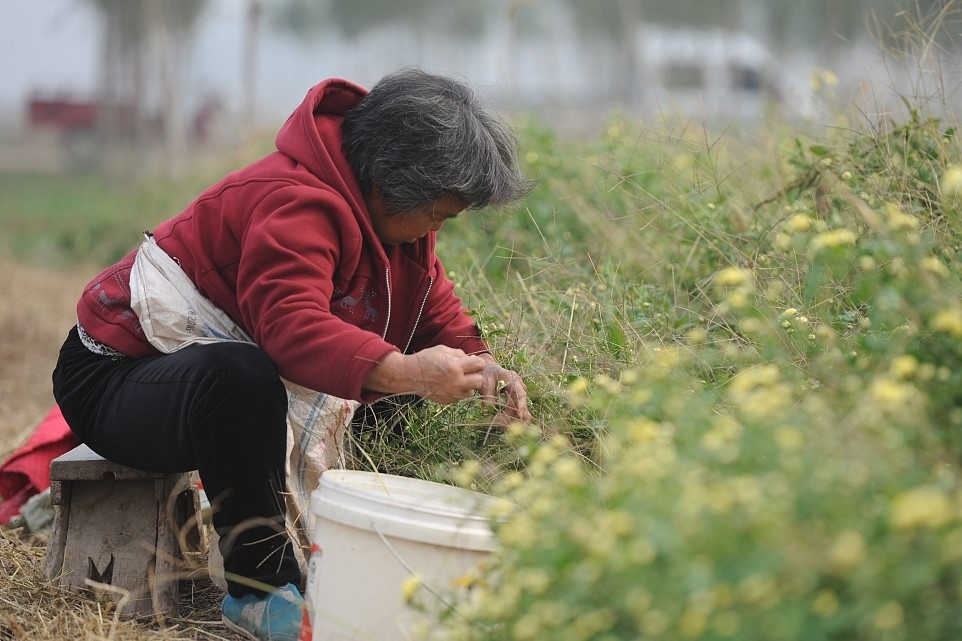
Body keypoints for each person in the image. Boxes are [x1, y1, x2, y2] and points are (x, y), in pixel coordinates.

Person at [52, 68, 532, 641]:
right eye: (439, 214)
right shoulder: (295, 201)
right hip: (117, 376)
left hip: (188, 379)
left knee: (393, 394)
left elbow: (430, 305)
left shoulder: (394, 221)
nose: (437, 228)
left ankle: (362, 548)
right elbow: (290, 328)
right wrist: (408, 371)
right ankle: (260, 590)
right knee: (241, 377)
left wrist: (483, 363)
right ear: (394, 181)